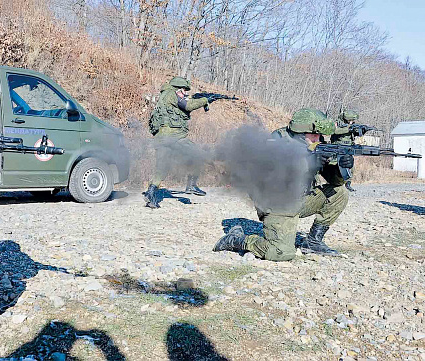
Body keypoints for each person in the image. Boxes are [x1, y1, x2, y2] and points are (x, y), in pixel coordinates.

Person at [213, 108, 354, 260]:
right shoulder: (277, 141)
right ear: (301, 133)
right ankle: (237, 240)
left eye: (320, 135)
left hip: (300, 200)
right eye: (314, 135)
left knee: (339, 193)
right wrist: (309, 163)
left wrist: (341, 167)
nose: (317, 138)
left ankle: (313, 241)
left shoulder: (316, 145)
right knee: (281, 252)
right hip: (277, 204)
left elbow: (334, 181)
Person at [144, 76, 212, 208]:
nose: (185, 94)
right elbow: (188, 106)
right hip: (174, 136)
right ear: (177, 89)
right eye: (183, 91)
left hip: (161, 137)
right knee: (198, 154)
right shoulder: (171, 94)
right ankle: (191, 185)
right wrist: (205, 100)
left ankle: (150, 193)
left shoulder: (164, 97)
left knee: (161, 168)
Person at [331, 109, 360, 191]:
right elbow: (334, 131)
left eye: (352, 120)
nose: (351, 122)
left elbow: (355, 133)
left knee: (350, 166)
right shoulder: (338, 124)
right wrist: (348, 129)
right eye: (350, 120)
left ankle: (348, 183)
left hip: (348, 148)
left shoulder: (352, 125)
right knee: (336, 166)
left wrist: (360, 131)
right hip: (338, 148)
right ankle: (335, 184)